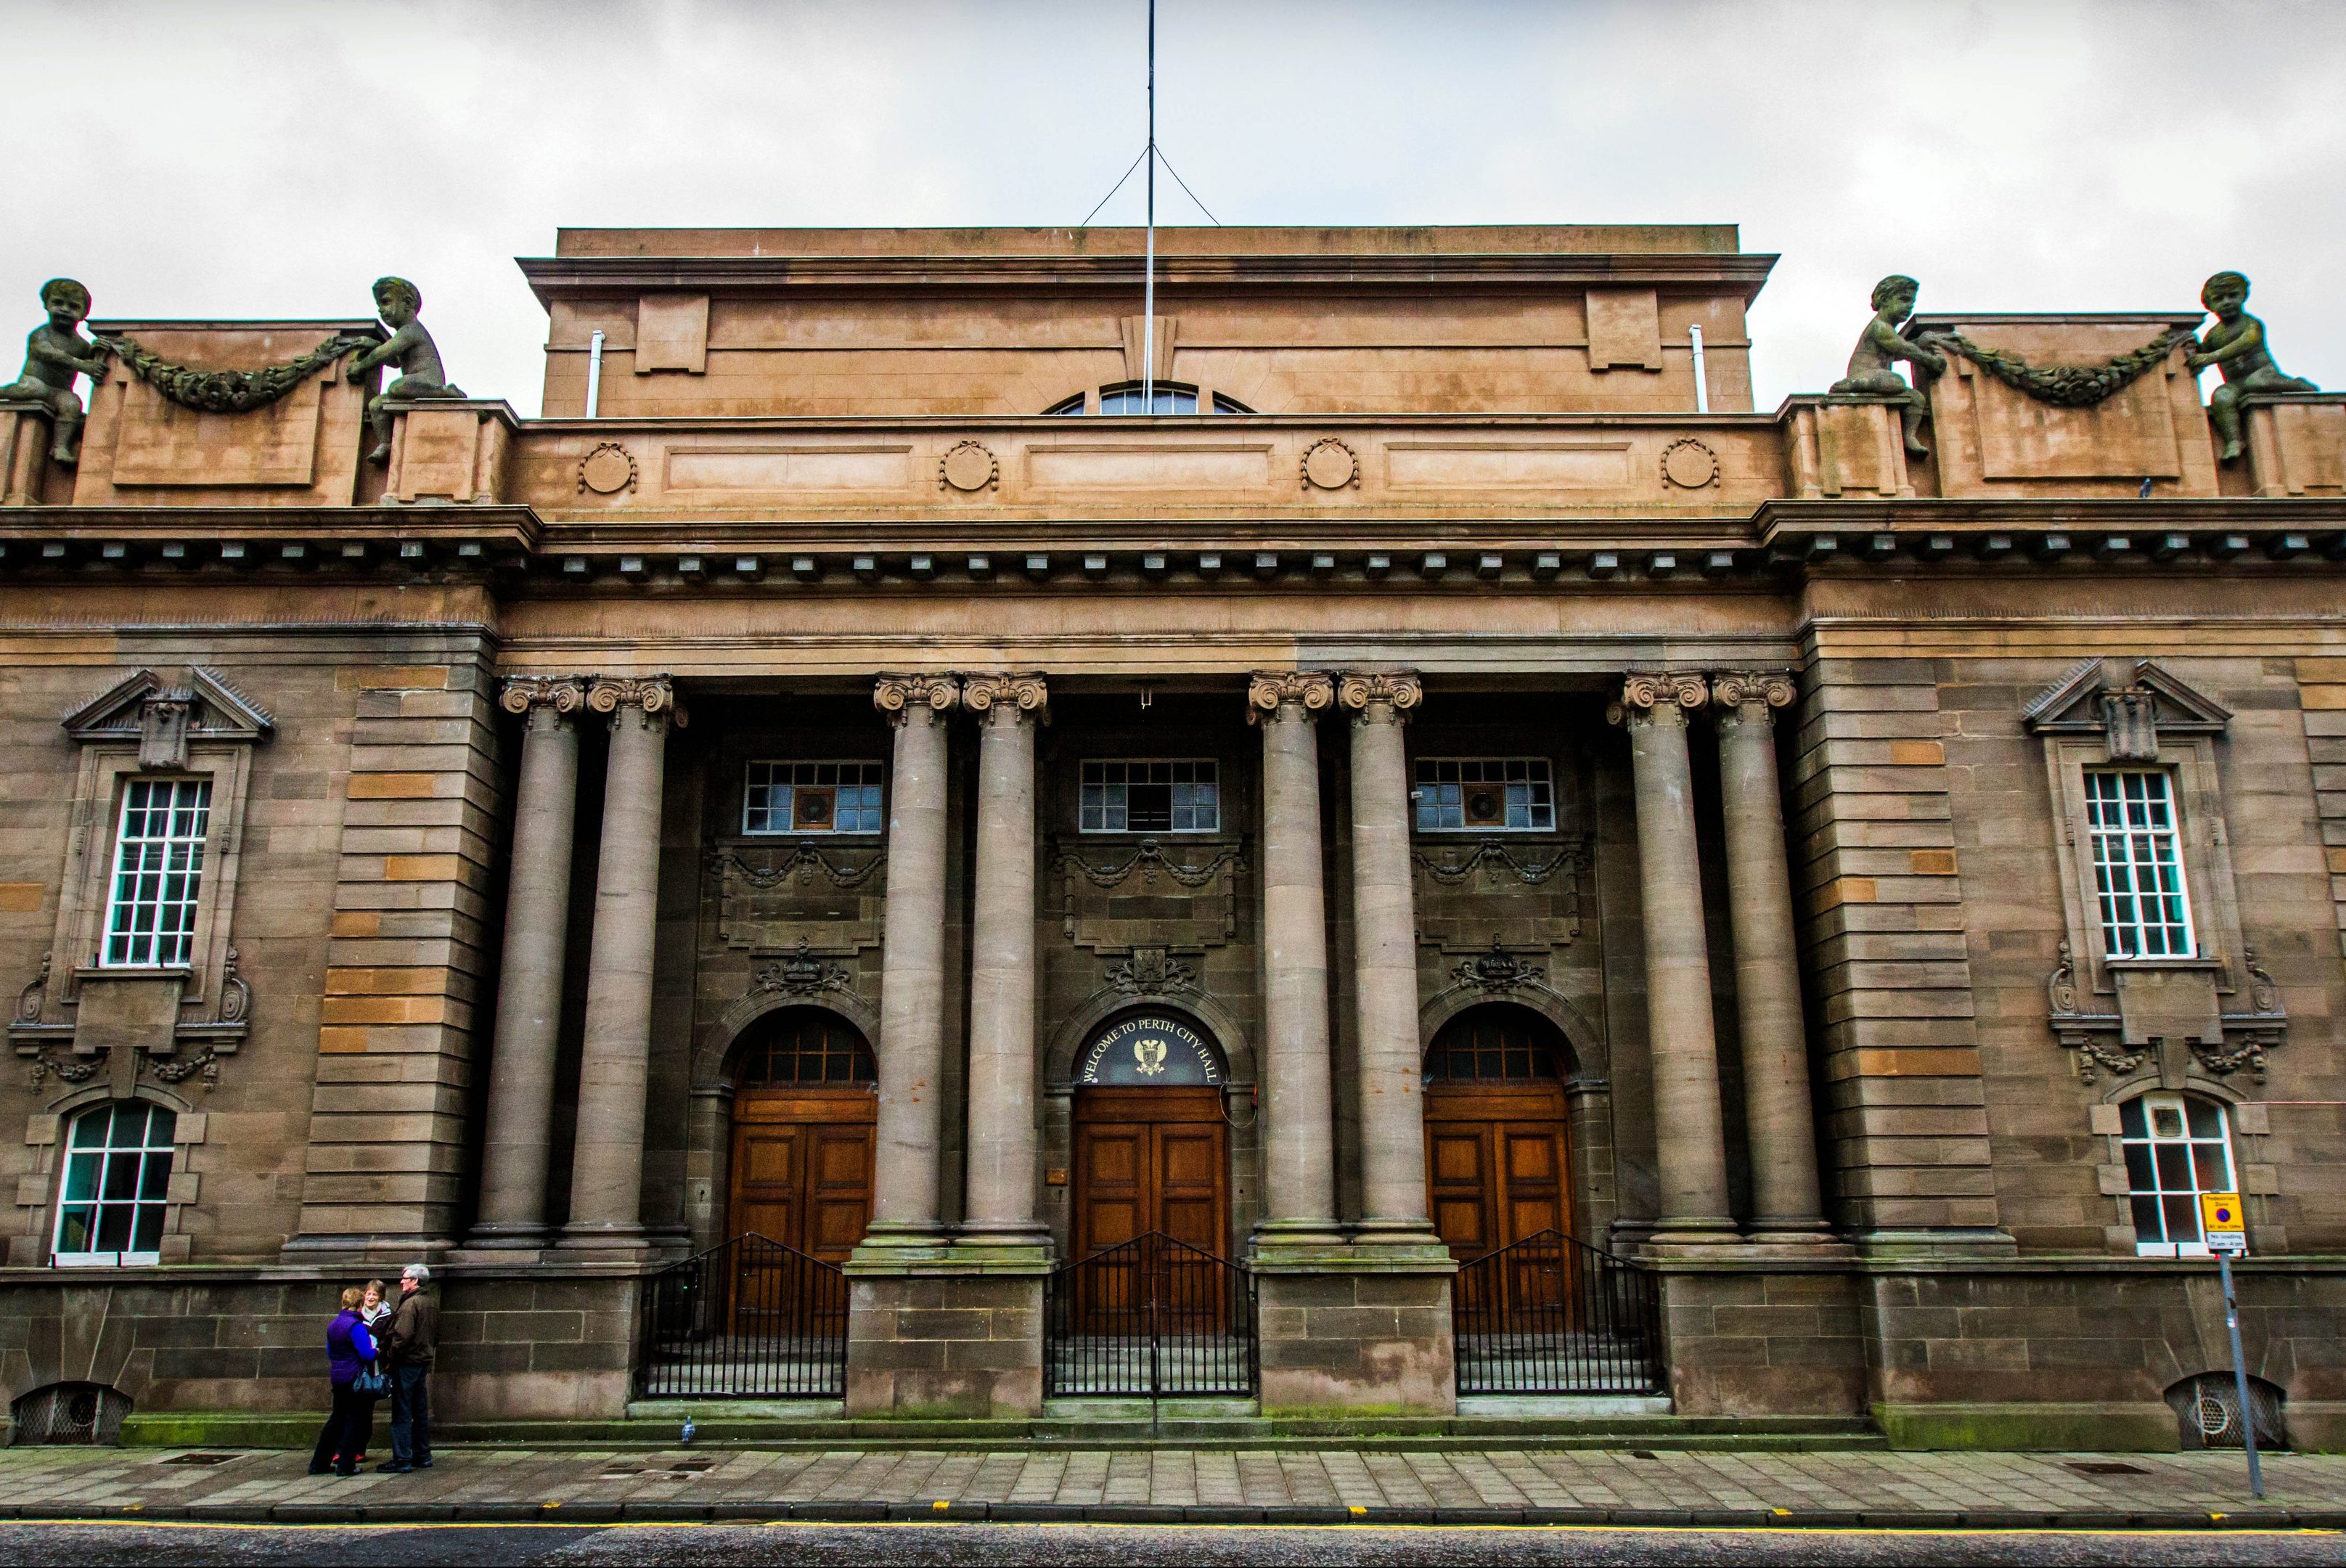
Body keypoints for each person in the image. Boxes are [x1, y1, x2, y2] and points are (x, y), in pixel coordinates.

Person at [2187, 271, 2318, 463]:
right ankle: (2234, 441)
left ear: (2243, 295)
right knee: (2221, 397)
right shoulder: (2214, 335)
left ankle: (2296, 385)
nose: (2226, 302)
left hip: (2261, 373)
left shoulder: (2251, 324)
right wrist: (2191, 349)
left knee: (2256, 382)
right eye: (2219, 299)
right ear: (2210, 305)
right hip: (2237, 383)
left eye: (2232, 296)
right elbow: (2200, 355)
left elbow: (2244, 344)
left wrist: (2209, 357)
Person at [342, 277, 463, 466]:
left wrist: (360, 365)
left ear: (407, 303)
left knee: (396, 387)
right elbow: (395, 361)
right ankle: (385, 444)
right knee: (376, 404)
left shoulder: (411, 331)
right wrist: (374, 345)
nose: (381, 309)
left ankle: (445, 391)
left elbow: (383, 353)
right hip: (413, 381)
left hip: (427, 379)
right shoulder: (404, 334)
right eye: (379, 305)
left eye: (386, 302)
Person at [1831, 274, 1947, 457]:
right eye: (1904, 299)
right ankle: (1850, 385)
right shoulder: (1880, 328)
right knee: (1897, 383)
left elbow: (1898, 351)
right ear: (1884, 300)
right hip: (1865, 374)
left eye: (1912, 302)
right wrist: (1930, 360)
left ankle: (1909, 437)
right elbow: (1904, 349)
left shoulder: (1888, 330)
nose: (1909, 306)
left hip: (1880, 377)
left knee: (1917, 398)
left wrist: (1920, 341)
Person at [1, 279, 110, 467]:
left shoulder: (81, 344)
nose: (65, 309)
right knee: (30, 391)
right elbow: (49, 354)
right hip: (35, 382)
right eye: (58, 303)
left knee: (72, 404)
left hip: (59, 391)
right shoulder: (41, 334)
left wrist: (98, 352)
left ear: (83, 314)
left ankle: (61, 448)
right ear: (47, 304)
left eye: (73, 306)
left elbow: (92, 364)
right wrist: (83, 365)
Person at [308, 1287, 377, 1478]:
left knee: (336, 1420)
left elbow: (330, 1352)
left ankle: (319, 1463)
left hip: (337, 1376)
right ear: (360, 1304)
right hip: (353, 1377)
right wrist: (376, 1352)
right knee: (355, 1420)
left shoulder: (333, 1324)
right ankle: (346, 1465)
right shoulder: (356, 1326)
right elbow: (366, 1354)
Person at [377, 1262, 438, 1474]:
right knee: (419, 1410)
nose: (401, 1281)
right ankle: (422, 1455)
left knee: (402, 1412)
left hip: (407, 1363)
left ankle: (402, 1458)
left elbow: (402, 1337)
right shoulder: (430, 1301)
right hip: (421, 1361)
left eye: (405, 1277)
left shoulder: (411, 1304)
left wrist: (390, 1360)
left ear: (415, 1281)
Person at [351, 1279, 392, 1464]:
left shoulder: (387, 1316)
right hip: (357, 1366)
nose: (371, 1297)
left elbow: (390, 1340)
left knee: (366, 1411)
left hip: (375, 1367)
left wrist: (380, 1351)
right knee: (350, 1410)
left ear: (381, 1297)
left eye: (375, 1294)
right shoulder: (356, 1314)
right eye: (369, 1293)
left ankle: (360, 1448)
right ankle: (344, 1448)